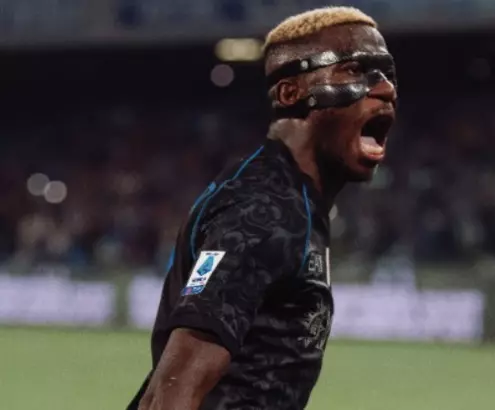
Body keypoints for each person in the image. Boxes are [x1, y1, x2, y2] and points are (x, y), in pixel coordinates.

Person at [128, 6, 397, 410]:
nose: (386, 88)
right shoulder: (262, 209)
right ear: (290, 94)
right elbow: (170, 393)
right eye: (355, 70)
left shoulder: (293, 198)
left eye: (387, 73)